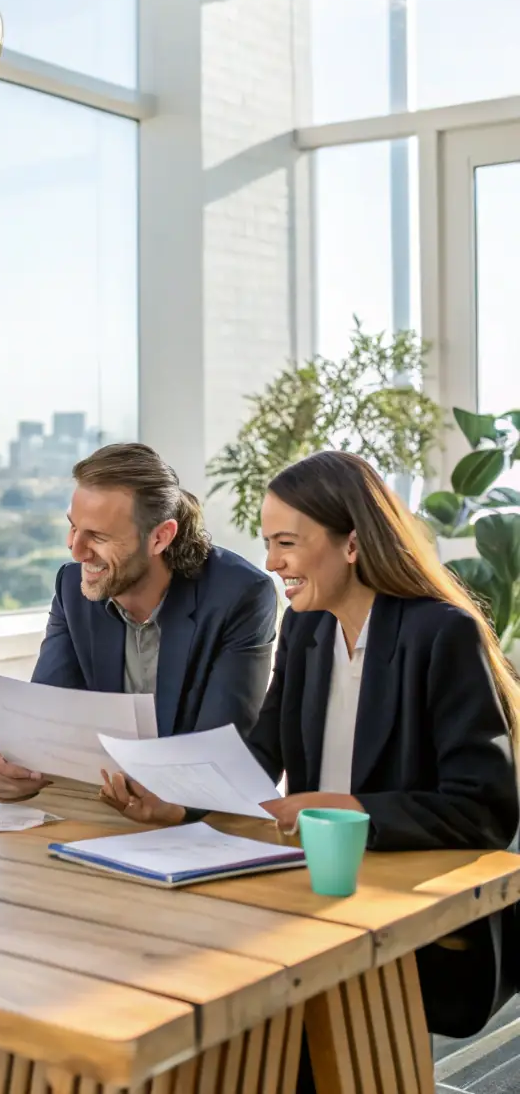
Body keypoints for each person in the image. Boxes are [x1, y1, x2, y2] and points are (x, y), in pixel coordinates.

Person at [101, 450, 520, 1052]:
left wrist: (345, 808)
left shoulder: (440, 633)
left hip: (410, 915)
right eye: (268, 543)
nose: (271, 563)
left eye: (287, 544)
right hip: (314, 894)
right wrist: (180, 806)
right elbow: (261, 751)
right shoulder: (307, 627)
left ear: (352, 544)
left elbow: (484, 811)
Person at [0, 442, 278, 799]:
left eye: (99, 537)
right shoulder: (74, 589)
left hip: (199, 822)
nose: (75, 550)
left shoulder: (239, 594)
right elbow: (48, 710)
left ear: (160, 537)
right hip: (106, 813)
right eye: (74, 527)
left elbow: (225, 751)